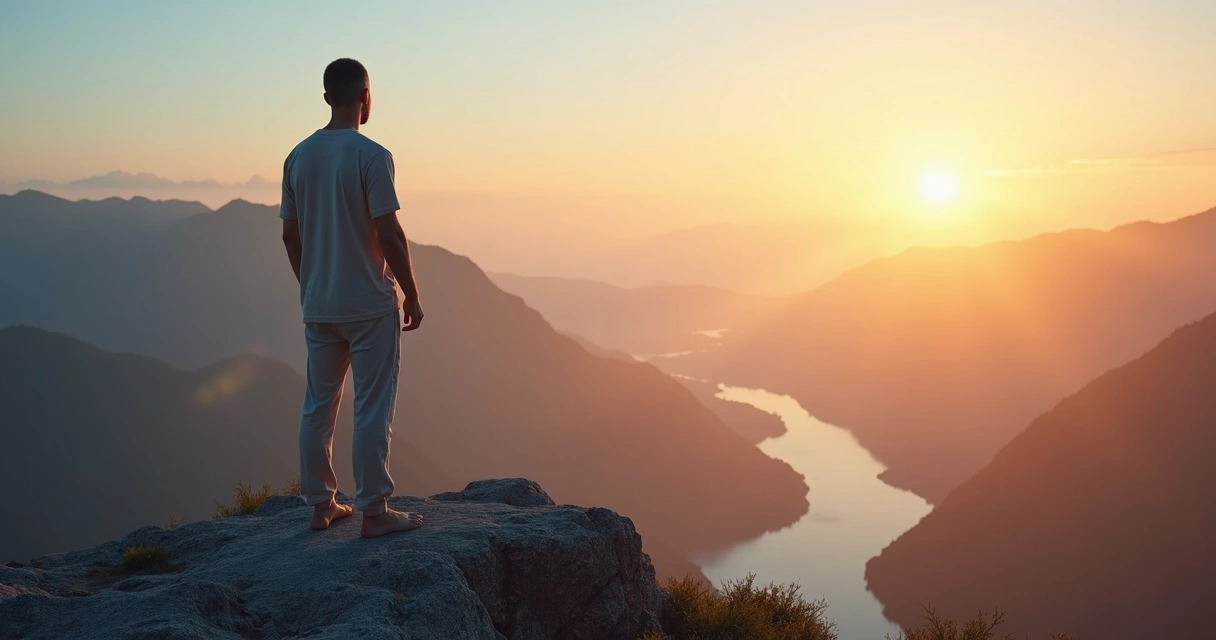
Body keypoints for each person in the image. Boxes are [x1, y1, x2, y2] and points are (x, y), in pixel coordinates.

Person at [280, 58, 425, 538]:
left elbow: (290, 236)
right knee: (372, 407)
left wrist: (311, 284)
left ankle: (321, 505)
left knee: (318, 406)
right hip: (368, 304)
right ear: (366, 96)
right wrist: (411, 293)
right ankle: (374, 512)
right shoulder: (372, 156)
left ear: (326, 98)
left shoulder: (297, 157)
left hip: (319, 303)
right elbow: (390, 233)